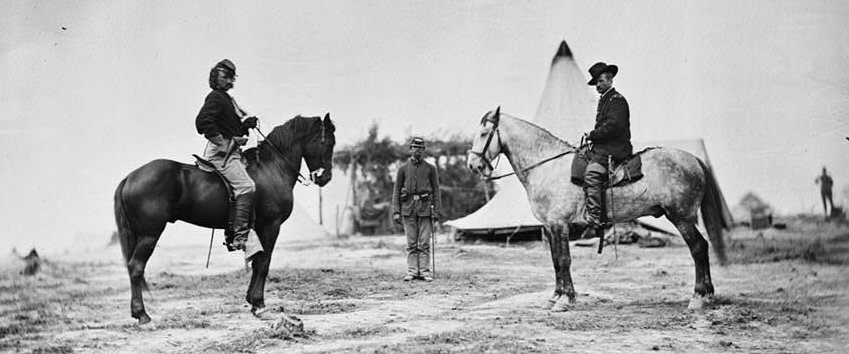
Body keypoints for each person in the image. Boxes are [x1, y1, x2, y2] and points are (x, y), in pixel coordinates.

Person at [195, 59, 259, 251]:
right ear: (215, 77)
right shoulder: (215, 97)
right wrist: (222, 143)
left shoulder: (227, 98)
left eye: (231, 78)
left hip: (232, 150)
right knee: (247, 187)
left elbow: (228, 125)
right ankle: (239, 237)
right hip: (222, 154)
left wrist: (244, 125)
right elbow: (202, 122)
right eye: (225, 76)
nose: (229, 81)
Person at [583, 62, 632, 231]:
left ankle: (595, 217)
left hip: (615, 148)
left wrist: (593, 135)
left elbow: (614, 126)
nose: (597, 85)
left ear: (610, 80)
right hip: (605, 147)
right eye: (596, 82)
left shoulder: (616, 100)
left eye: (600, 81)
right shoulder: (606, 99)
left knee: (591, 174)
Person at [392, 137, 443, 282]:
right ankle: (412, 271)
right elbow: (396, 191)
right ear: (410, 149)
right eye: (414, 147)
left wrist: (437, 209)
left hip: (425, 208)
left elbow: (436, 189)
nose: (417, 150)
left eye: (420, 148)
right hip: (408, 208)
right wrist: (396, 211)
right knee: (411, 243)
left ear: (424, 150)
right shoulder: (402, 169)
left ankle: (425, 271)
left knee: (425, 242)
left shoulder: (430, 169)